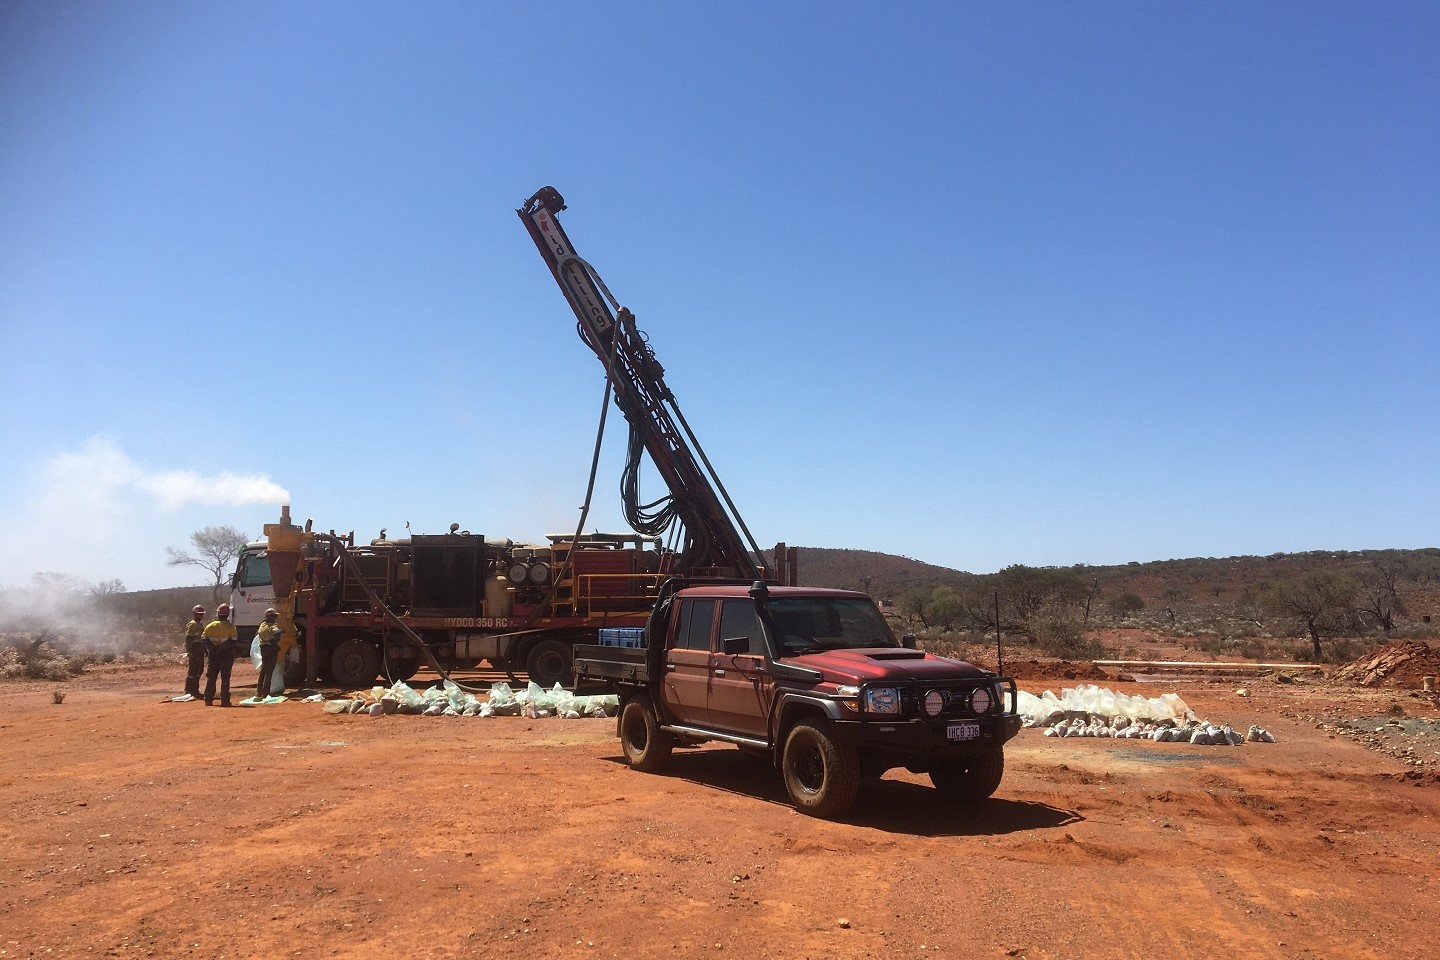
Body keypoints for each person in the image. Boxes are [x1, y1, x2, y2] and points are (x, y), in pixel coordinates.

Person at [202, 602, 238, 707]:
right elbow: (233, 641)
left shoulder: (210, 626)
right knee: (225, 678)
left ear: (218, 613)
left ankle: (208, 699)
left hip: (213, 655)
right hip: (226, 655)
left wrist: (213, 648)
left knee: (211, 677)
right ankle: (225, 701)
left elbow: (204, 639)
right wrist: (221, 648)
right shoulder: (231, 627)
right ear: (228, 614)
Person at [255, 607, 284, 700]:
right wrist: (282, 631)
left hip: (263, 649)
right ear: (271, 617)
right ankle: (265, 692)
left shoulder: (262, 625)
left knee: (263, 670)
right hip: (271, 649)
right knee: (269, 672)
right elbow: (276, 632)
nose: (275, 618)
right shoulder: (273, 626)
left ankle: (258, 692)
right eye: (274, 616)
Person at [183, 604, 207, 698]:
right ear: (194, 614)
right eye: (198, 614)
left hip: (200, 649)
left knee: (199, 670)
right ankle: (189, 690)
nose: (200, 615)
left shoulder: (200, 624)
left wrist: (205, 649)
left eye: (201, 614)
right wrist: (189, 651)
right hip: (194, 649)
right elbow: (189, 639)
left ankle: (195, 690)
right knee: (193, 670)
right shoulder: (192, 624)